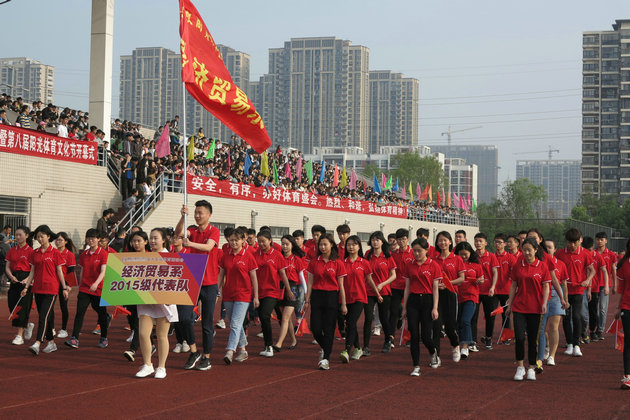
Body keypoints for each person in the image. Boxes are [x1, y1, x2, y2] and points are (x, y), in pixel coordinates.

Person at [176, 200, 220, 371]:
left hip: (209, 283)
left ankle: (207, 357)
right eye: (195, 212)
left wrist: (190, 244)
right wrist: (182, 216)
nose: (197, 215)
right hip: (192, 280)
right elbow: (179, 233)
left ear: (209, 215)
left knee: (207, 323)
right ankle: (194, 351)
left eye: (200, 212)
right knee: (184, 317)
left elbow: (209, 247)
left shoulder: (213, 231)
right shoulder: (192, 230)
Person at [134, 228, 178, 378]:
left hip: (165, 301)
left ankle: (161, 367)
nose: (152, 241)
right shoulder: (144, 257)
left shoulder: (171, 257)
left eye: (156, 238)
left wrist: (169, 297)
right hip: (146, 300)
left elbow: (176, 280)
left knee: (161, 335)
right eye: (151, 238)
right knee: (143, 333)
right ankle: (147, 364)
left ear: (163, 240)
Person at [506, 237, 551, 381]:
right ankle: (520, 367)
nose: (526, 253)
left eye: (529, 250)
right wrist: (510, 303)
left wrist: (544, 303)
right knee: (519, 337)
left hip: (536, 308)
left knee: (533, 339)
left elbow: (546, 286)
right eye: (524, 250)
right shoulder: (518, 265)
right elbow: (513, 285)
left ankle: (531, 366)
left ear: (536, 250)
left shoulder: (542, 266)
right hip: (519, 306)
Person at [21, 225, 70, 355]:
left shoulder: (55, 253)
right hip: (37, 289)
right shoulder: (35, 253)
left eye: (42, 236)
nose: (40, 239)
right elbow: (32, 271)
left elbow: (60, 271)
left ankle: (37, 342)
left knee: (42, 316)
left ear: (48, 236)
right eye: (37, 237)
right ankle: (52, 343)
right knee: (47, 317)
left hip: (51, 289)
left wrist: (64, 287)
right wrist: (26, 287)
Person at [305, 233, 347, 370]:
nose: (322, 247)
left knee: (329, 329)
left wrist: (344, 304)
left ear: (331, 245)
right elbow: (310, 283)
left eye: (325, 244)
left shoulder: (338, 263)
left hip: (331, 297)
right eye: (321, 244)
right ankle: (325, 347)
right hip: (317, 296)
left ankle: (326, 358)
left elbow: (341, 285)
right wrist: (307, 299)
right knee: (315, 328)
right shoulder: (314, 261)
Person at [218, 227, 259, 364]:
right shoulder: (226, 256)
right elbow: (221, 275)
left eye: (237, 240)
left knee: (235, 323)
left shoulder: (249, 256)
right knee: (236, 323)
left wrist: (256, 296)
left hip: (243, 295)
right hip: (228, 294)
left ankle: (230, 351)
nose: (234, 243)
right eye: (231, 240)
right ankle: (243, 350)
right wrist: (217, 290)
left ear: (243, 240)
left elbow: (254, 278)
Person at [401, 237, 441, 376]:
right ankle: (416, 366)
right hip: (413, 301)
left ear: (426, 250)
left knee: (425, 336)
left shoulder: (433, 265)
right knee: (414, 334)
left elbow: (435, 288)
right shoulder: (409, 265)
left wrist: (435, 308)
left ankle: (433, 351)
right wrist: (404, 307)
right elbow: (406, 287)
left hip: (427, 301)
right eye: (414, 251)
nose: (416, 254)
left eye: (419, 251)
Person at [64, 229, 110, 349]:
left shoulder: (103, 253)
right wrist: (80, 284)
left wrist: (96, 284)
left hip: (98, 288)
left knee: (101, 313)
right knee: (80, 312)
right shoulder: (84, 254)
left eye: (93, 238)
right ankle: (74, 338)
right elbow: (82, 270)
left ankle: (104, 337)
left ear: (98, 239)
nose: (90, 240)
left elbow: (103, 271)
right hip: (85, 288)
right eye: (88, 238)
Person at [555, 228, 595, 357]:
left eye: (574, 242)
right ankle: (570, 343)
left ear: (579, 241)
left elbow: (592, 270)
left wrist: (587, 280)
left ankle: (577, 344)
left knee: (577, 316)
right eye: (569, 242)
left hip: (578, 290)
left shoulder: (585, 253)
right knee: (566, 317)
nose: (572, 245)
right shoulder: (560, 254)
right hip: (564, 291)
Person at [340, 235, 380, 363]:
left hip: (359, 297)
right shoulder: (342, 263)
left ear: (359, 246)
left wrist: (377, 294)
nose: (351, 247)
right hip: (345, 298)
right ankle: (358, 348)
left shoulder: (364, 263)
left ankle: (346, 350)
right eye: (349, 244)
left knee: (351, 323)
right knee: (350, 324)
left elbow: (369, 280)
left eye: (354, 244)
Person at [254, 230, 292, 357]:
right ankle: (268, 345)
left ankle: (269, 346)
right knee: (263, 317)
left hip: (272, 291)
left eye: (263, 241)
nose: (261, 244)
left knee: (265, 315)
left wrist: (288, 290)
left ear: (270, 241)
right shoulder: (255, 254)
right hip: (259, 291)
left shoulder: (277, 255)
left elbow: (283, 274)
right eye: (259, 241)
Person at [433, 231, 465, 362]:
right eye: (440, 240)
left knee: (451, 325)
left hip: (451, 294)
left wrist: (447, 284)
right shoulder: (434, 260)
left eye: (445, 240)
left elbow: (462, 278)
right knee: (436, 325)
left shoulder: (457, 259)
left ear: (450, 242)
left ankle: (455, 345)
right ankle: (436, 355)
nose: (442, 243)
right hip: (436, 295)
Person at [364, 231, 397, 354]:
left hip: (384, 291)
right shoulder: (367, 254)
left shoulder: (387, 255)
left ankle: (388, 340)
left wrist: (382, 284)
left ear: (382, 241)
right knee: (368, 318)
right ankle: (366, 346)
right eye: (373, 240)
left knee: (384, 318)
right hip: (369, 291)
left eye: (377, 239)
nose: (375, 242)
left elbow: (393, 275)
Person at [274, 235, 306, 351]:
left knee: (285, 318)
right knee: (285, 318)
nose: (285, 246)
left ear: (292, 245)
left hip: (292, 289)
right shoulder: (278, 257)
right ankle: (293, 340)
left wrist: (306, 294)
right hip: (280, 288)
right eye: (283, 244)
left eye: (287, 244)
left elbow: (302, 278)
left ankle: (279, 343)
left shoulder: (297, 260)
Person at [540, 239, 568, 367]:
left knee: (554, 327)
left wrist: (564, 298)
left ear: (555, 249)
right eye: (545, 247)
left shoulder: (561, 264)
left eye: (550, 247)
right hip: (541, 294)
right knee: (541, 328)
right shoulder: (538, 261)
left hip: (556, 294)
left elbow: (562, 283)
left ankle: (552, 355)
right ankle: (545, 345)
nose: (547, 249)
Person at [454, 241, 484, 359]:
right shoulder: (455, 264)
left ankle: (465, 347)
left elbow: (481, 278)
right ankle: (465, 343)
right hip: (457, 296)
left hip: (471, 296)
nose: (464, 257)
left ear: (470, 253)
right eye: (461, 254)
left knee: (466, 320)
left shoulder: (476, 265)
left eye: (466, 254)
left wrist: (480, 281)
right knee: (458, 323)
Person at [5, 226, 34, 345]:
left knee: (22, 308)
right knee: (12, 307)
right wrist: (11, 276)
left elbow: (34, 269)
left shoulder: (31, 251)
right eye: (16, 235)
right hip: (14, 280)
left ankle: (19, 335)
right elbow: (7, 267)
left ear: (27, 235)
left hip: (26, 280)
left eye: (20, 235)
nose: (17, 237)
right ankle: (27, 325)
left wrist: (27, 280)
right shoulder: (12, 250)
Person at [472, 232, 499, 350]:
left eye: (480, 241)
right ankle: (473, 340)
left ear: (485, 243)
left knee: (490, 316)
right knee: (473, 316)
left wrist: (493, 287)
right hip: (475, 291)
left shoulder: (491, 256)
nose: (478, 243)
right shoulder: (472, 256)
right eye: (476, 241)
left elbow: (495, 273)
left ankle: (488, 338)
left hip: (489, 292)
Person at [390, 228, 413, 345]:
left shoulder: (413, 253)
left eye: (404, 239)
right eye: (399, 239)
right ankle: (391, 337)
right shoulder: (393, 255)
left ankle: (409, 337)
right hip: (395, 287)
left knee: (409, 313)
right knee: (393, 312)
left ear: (408, 239)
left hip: (410, 287)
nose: (401, 242)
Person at [613, 237, 630, 389]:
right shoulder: (624, 264)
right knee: (628, 341)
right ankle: (627, 376)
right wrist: (618, 307)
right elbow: (621, 289)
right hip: (627, 306)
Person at [493, 233, 516, 342]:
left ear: (505, 244)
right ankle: (489, 336)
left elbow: (515, 275)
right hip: (493, 290)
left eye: (500, 242)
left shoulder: (510, 258)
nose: (497, 244)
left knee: (505, 315)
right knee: (492, 313)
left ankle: (506, 337)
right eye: (496, 242)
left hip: (506, 290)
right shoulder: (492, 256)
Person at [54, 232, 76, 339]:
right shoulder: (53, 252)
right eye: (57, 240)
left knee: (63, 306)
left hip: (64, 284)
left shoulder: (69, 254)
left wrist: (68, 286)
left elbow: (71, 272)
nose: (58, 242)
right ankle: (51, 328)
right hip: (53, 282)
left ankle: (64, 329)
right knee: (50, 306)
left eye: (60, 240)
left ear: (66, 242)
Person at [594, 231, 615, 342]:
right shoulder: (592, 253)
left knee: (602, 309)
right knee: (594, 310)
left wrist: (614, 285)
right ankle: (596, 328)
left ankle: (600, 330)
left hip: (605, 285)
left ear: (606, 241)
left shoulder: (611, 254)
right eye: (597, 239)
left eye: (602, 239)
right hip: (594, 285)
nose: (599, 241)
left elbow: (613, 271)